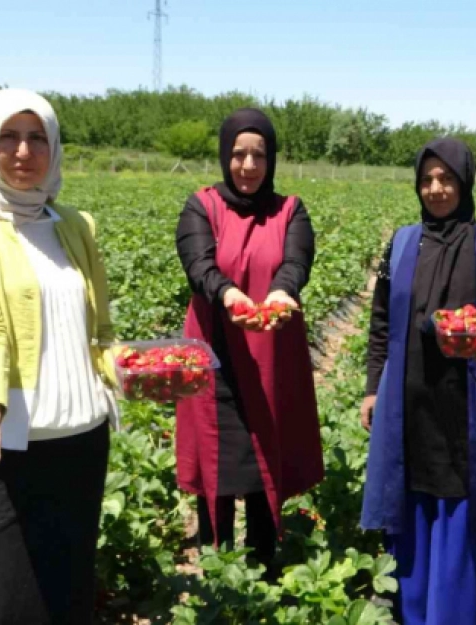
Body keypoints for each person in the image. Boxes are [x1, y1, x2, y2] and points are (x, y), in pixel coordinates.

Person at [0, 88, 120, 624]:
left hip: (80, 444)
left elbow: (96, 328)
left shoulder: (74, 225)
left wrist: (129, 370)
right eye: (8, 136)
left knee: (65, 599)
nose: (23, 150)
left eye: (37, 137)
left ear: (54, 146)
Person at [360, 138, 476, 625]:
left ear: (464, 181)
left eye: (446, 178)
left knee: (463, 493)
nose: (436, 188)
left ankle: (458, 612)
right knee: (411, 491)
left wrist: (472, 332)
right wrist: (371, 388)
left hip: (467, 401)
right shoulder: (403, 242)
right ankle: (413, 610)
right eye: (427, 179)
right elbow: (382, 322)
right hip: (407, 398)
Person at [174, 108, 324, 571]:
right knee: (213, 457)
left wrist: (280, 292)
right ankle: (217, 567)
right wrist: (231, 295)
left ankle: (264, 562)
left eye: (259, 155)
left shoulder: (290, 210)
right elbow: (199, 264)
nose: (249, 165)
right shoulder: (201, 206)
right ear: (225, 155)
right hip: (214, 350)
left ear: (271, 158)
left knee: (266, 449)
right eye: (239, 154)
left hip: (271, 347)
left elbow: (296, 262)